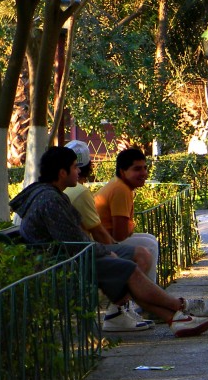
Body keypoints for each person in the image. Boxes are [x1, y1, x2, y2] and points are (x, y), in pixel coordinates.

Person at [10, 146, 208, 338]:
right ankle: (181, 307)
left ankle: (176, 319)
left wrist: (104, 251)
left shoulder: (50, 194)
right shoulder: (50, 200)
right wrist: (105, 252)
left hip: (64, 258)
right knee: (127, 269)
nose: (79, 172)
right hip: (62, 265)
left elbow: (75, 240)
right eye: (74, 167)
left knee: (129, 265)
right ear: (62, 173)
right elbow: (75, 243)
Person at [64, 141, 155, 331]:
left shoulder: (119, 186)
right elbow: (119, 234)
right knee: (147, 249)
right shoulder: (118, 189)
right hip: (93, 245)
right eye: (137, 169)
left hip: (93, 242)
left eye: (145, 168)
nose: (144, 173)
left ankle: (142, 303)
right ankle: (135, 306)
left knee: (149, 240)